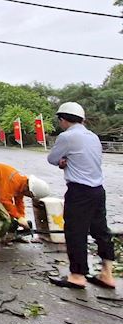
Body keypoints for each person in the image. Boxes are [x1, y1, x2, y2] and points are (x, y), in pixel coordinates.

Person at [46, 102, 116, 290]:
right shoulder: (92, 136)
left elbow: (52, 158)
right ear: (82, 118)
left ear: (62, 119)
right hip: (98, 190)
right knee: (101, 231)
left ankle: (77, 276)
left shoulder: (67, 136)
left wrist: (63, 162)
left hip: (79, 192)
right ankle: (107, 274)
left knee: (75, 232)